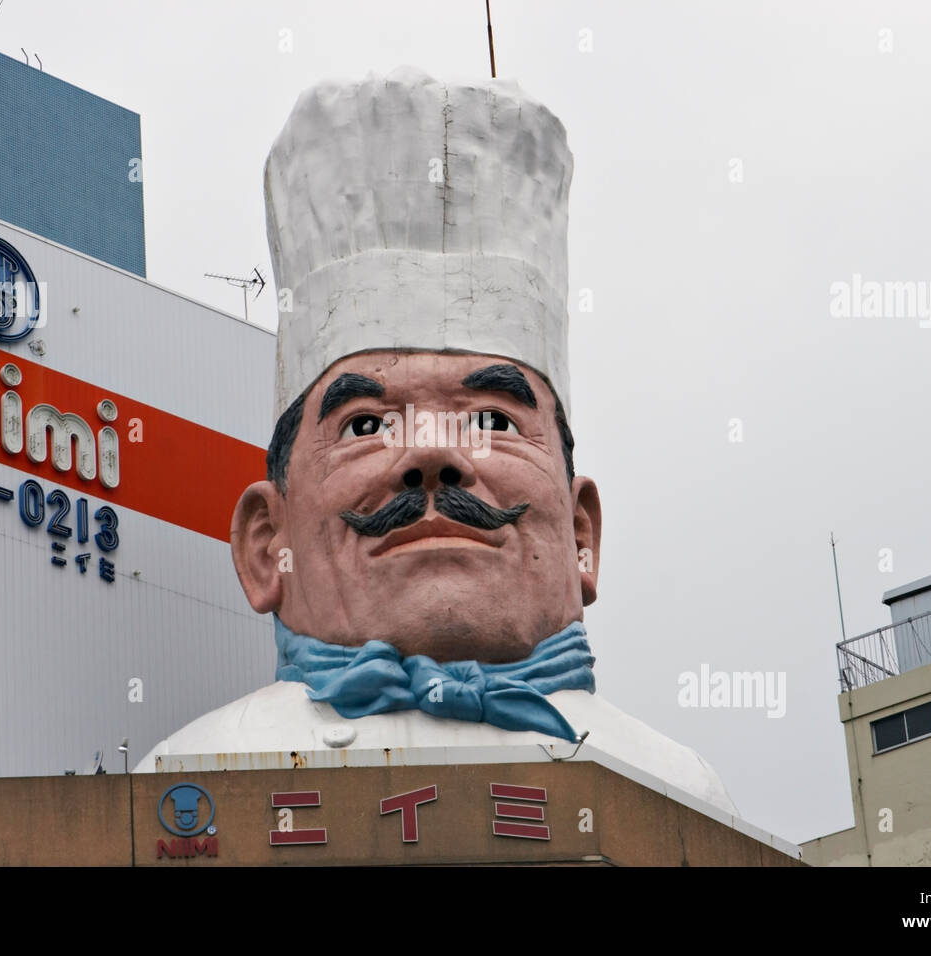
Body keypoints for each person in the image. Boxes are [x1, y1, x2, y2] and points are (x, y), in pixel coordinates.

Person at [138, 68, 739, 818]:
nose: (431, 452)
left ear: (583, 535)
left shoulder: (678, 796)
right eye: (366, 426)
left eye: (491, 419)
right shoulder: (190, 786)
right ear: (266, 545)